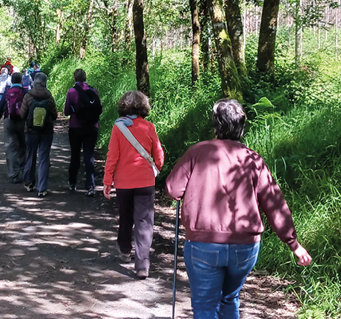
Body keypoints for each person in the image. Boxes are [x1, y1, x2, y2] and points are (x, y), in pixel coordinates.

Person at [166, 99, 312, 318]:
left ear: (215, 125)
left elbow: (172, 189)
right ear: (241, 126)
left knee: (205, 306)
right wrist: (293, 244)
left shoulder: (196, 152)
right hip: (244, 247)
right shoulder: (253, 160)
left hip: (203, 243)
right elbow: (274, 202)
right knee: (229, 299)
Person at [103, 90, 163, 279]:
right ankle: (142, 265)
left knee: (126, 216)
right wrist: (157, 168)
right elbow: (159, 154)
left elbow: (112, 156)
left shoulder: (118, 128)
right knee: (145, 222)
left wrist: (107, 181)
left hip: (124, 182)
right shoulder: (149, 127)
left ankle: (124, 247)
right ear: (143, 107)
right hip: (145, 181)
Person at [63, 68, 101, 196]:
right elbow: (99, 109)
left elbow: (67, 111)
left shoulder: (72, 91)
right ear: (85, 78)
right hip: (92, 127)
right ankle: (90, 186)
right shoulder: (93, 91)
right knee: (89, 156)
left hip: (75, 127)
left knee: (75, 155)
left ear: (75, 78)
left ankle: (72, 182)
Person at [20, 72, 57, 197]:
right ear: (45, 83)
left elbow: (22, 115)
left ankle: (29, 183)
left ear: (34, 82)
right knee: (44, 158)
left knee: (30, 155)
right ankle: (42, 188)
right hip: (46, 131)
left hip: (31, 131)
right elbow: (55, 115)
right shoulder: (49, 97)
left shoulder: (28, 96)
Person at [0, 72, 27, 183]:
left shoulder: (7, 92)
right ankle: (24, 171)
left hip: (9, 121)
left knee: (11, 148)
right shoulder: (25, 92)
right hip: (23, 121)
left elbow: (0, 109)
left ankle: (14, 174)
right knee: (23, 146)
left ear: (11, 81)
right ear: (21, 81)